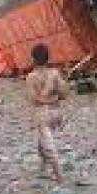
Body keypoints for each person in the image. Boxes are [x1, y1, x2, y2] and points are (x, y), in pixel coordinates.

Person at [25, 44, 69, 184]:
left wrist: (45, 99)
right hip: (56, 112)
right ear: (48, 58)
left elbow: (34, 99)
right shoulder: (55, 73)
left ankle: (59, 176)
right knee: (41, 141)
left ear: (32, 59)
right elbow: (64, 94)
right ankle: (43, 167)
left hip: (42, 114)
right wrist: (54, 98)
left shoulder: (31, 77)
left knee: (48, 145)